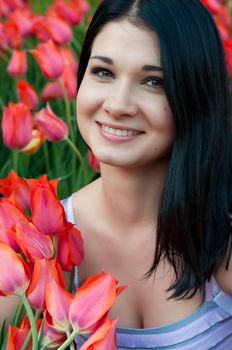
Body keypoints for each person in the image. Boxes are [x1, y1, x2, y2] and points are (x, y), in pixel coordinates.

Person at [0, 0, 231, 349]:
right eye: (103, 72)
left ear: (195, 95)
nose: (118, 104)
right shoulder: (32, 250)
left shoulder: (222, 238)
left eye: (153, 81)